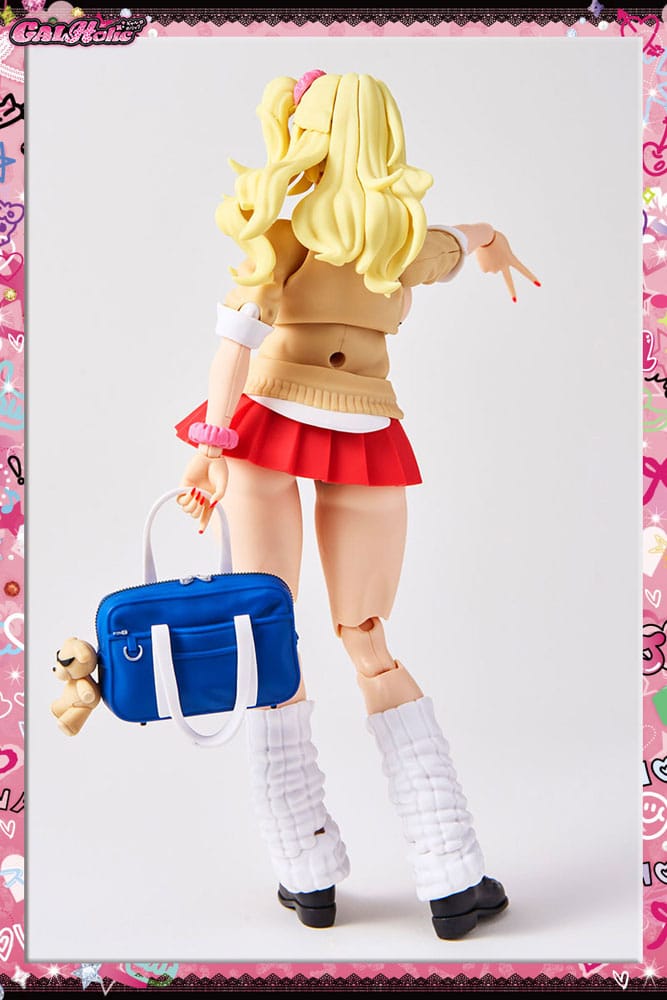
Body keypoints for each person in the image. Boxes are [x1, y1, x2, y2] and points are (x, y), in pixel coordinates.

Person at [174, 70, 539, 939]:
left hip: (264, 425)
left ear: (308, 135)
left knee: (268, 630)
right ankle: (450, 877)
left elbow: (234, 343)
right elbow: (468, 237)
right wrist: (495, 245)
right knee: (367, 642)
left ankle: (305, 875)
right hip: (362, 427)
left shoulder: (282, 229)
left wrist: (209, 446)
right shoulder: (401, 240)